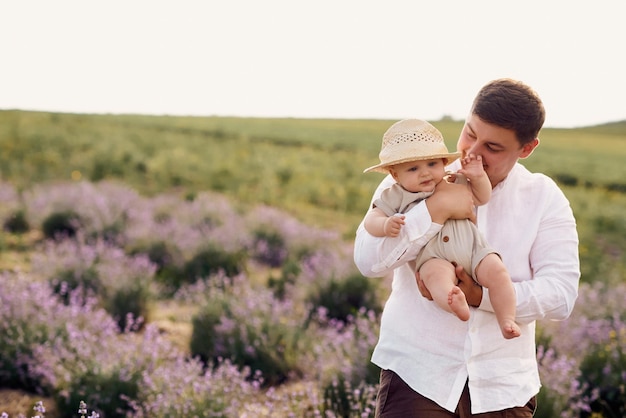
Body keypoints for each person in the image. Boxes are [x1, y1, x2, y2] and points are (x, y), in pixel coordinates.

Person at [354, 78, 580, 417]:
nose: (472, 151)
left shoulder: (544, 198)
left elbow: (561, 295)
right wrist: (434, 211)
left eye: (493, 147)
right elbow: (368, 261)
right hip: (417, 376)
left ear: (527, 148)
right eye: (470, 133)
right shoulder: (414, 175)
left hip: (503, 389)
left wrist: (479, 296)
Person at [362, 119, 520, 339]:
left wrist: (478, 176)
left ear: (444, 163)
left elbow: (483, 197)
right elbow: (372, 218)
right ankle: (455, 302)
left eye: (432, 164)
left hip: (474, 249)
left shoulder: (456, 181)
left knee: (499, 274)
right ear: (395, 175)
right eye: (413, 168)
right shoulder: (396, 194)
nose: (425, 173)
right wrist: (385, 224)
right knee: (436, 279)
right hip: (434, 256)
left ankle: (507, 319)